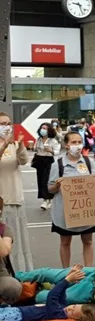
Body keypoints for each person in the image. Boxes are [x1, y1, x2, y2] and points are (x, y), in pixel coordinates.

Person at [48, 131, 95, 268]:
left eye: (79, 142)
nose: (77, 145)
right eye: (73, 142)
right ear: (66, 145)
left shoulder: (89, 162)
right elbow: (50, 189)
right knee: (65, 242)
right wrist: (57, 185)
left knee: (88, 241)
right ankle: (66, 272)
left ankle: (88, 271)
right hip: (64, 213)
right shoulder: (57, 164)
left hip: (85, 211)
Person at [0, 265, 95, 321]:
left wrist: (67, 280)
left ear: (74, 319)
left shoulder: (58, 314)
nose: (70, 308)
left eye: (72, 312)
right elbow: (61, 293)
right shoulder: (62, 308)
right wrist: (68, 276)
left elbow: (53, 295)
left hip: (17, 315)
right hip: (17, 311)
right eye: (74, 306)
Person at [0, 114, 32, 272]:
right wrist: (3, 145)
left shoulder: (13, 145)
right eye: (2, 124)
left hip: (15, 197)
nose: (6, 126)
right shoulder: (5, 145)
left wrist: (19, 146)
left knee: (18, 241)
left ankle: (22, 274)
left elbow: (24, 160)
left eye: (8, 123)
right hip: (1, 200)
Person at [32, 122, 60, 210]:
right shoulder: (39, 139)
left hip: (48, 161)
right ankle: (46, 198)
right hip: (39, 160)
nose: (43, 130)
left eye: (45, 128)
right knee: (40, 180)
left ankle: (46, 199)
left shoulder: (53, 141)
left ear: (49, 130)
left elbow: (56, 152)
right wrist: (33, 147)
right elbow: (35, 149)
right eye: (42, 128)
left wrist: (50, 150)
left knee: (46, 180)